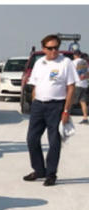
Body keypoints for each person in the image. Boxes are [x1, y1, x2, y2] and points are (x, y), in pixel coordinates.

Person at [24, 34, 77, 186]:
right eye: (50, 48)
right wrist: (35, 101)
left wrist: (66, 110)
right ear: (43, 49)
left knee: (54, 141)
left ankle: (51, 173)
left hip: (56, 106)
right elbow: (34, 84)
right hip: (39, 106)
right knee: (32, 139)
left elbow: (71, 87)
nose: (53, 51)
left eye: (56, 48)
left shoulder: (65, 62)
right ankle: (39, 170)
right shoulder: (39, 63)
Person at [73, 51, 89, 124]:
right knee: (83, 102)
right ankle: (85, 118)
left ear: (75, 55)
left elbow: (71, 73)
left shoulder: (73, 62)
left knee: (70, 101)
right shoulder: (86, 63)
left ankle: (65, 116)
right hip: (85, 85)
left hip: (77, 84)